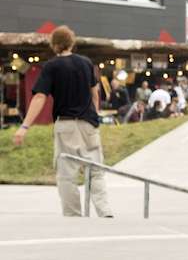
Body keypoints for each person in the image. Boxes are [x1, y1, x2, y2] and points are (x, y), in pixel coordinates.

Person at [12, 25, 113, 217]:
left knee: (67, 174)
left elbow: (40, 97)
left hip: (66, 125)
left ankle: (73, 216)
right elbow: (94, 94)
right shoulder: (85, 63)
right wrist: (94, 115)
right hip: (89, 125)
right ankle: (105, 212)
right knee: (96, 171)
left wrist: (24, 126)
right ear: (71, 42)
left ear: (54, 45)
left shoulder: (52, 66)